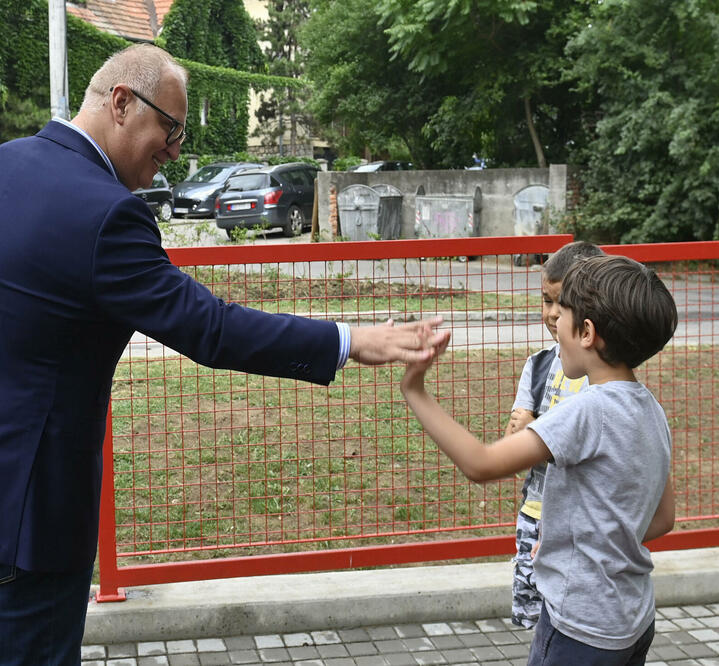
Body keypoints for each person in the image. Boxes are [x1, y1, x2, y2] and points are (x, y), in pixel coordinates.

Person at [0, 44, 444, 664]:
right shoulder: (106, 216)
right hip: (30, 524)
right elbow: (211, 329)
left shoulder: (8, 163)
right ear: (122, 103)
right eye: (171, 128)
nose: (176, 151)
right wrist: (353, 339)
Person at [402, 254, 679, 665]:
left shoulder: (587, 410)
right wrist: (576, 543)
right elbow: (661, 519)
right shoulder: (651, 409)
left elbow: (481, 463)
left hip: (581, 628)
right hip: (632, 619)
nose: (554, 324)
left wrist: (415, 389)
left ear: (586, 332)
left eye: (561, 313)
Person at [504, 240, 605, 629]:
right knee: (540, 623)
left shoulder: (603, 376)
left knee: (573, 621)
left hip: (579, 524)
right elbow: (516, 439)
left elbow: (569, 446)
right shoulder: (540, 364)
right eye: (545, 301)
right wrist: (526, 435)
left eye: (559, 303)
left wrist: (538, 438)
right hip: (535, 513)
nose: (549, 314)